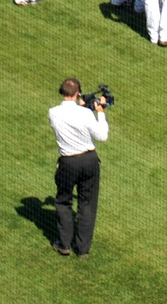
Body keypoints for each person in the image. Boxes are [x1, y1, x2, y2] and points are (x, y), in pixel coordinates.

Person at [48, 77, 108, 259]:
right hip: (89, 160)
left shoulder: (53, 112)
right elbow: (102, 136)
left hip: (67, 162)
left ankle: (64, 244)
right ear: (77, 93)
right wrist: (101, 112)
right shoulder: (85, 114)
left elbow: (71, 115)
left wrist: (83, 106)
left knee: (63, 201)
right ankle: (82, 249)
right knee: (87, 204)